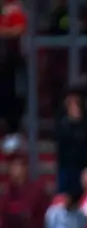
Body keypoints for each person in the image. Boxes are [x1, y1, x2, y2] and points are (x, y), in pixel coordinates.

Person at [56, 87, 87, 197]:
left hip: (83, 166)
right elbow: (61, 140)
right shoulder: (62, 123)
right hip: (66, 167)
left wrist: (78, 122)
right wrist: (72, 122)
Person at [0, 0, 26, 151]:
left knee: (13, 96)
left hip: (13, 61)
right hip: (2, 63)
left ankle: (13, 133)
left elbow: (19, 29)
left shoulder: (14, 8)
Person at [0, 157, 48, 228]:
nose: (13, 170)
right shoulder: (7, 192)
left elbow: (42, 216)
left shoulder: (36, 191)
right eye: (11, 166)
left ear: (25, 168)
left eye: (16, 166)